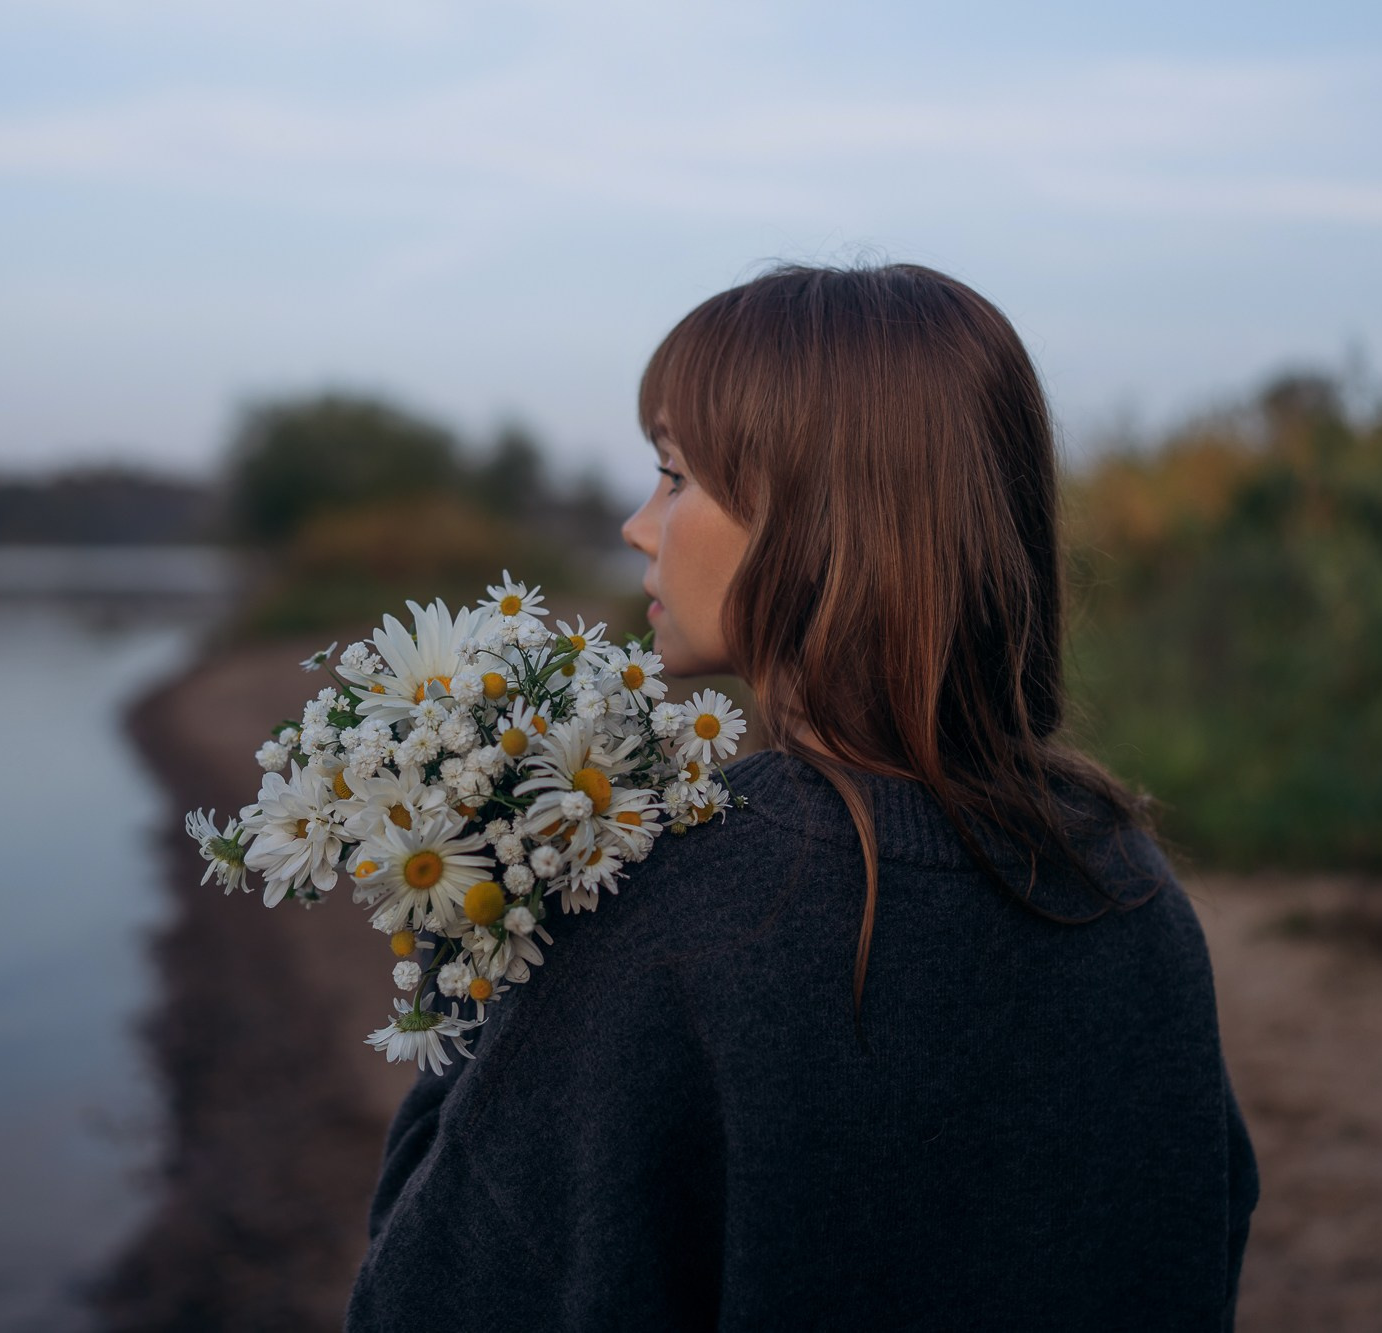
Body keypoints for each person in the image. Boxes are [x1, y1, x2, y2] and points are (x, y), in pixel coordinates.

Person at [345, 262, 1260, 1330]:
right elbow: (1196, 1237)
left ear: (811, 513)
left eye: (674, 476)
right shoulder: (1125, 884)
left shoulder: (661, 906)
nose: (640, 526)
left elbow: (429, 1296)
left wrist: (473, 948)